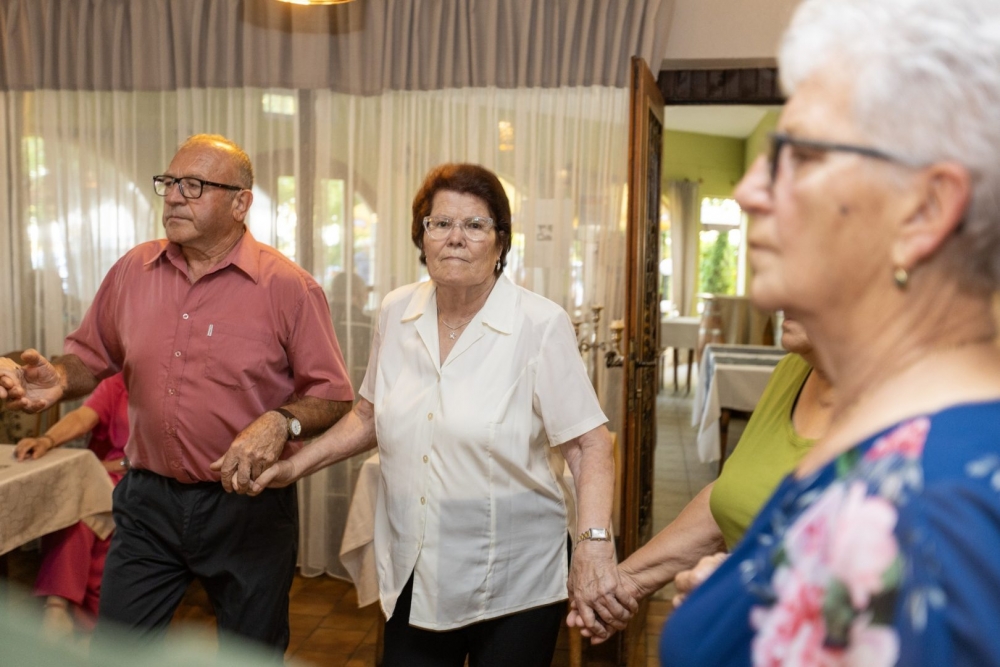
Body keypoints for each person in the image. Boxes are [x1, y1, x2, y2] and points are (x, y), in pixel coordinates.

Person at [658, 0, 1000, 664]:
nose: (752, 189)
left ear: (924, 209)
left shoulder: (917, 520)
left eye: (801, 155)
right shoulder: (906, 443)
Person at [249, 163, 632, 665]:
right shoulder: (396, 311)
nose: (456, 238)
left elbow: (589, 443)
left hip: (514, 579)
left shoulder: (538, 324)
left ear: (500, 243)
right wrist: (295, 466)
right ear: (422, 236)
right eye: (440, 223)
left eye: (475, 225)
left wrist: (594, 546)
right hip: (416, 570)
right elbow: (368, 415)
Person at [0, 134, 354, 655]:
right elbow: (88, 358)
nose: (172, 197)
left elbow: (334, 395)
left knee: (249, 657)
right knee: (117, 652)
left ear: (241, 202)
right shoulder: (132, 271)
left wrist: (282, 420)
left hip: (247, 505)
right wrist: (55, 378)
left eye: (194, 185)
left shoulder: (288, 288)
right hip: (147, 501)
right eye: (168, 183)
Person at [568, 318, 835, 640]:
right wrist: (627, 581)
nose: (771, 298)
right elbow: (731, 498)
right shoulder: (792, 370)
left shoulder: (903, 420)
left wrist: (736, 584)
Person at [13, 373, 128, 637]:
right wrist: (47, 440)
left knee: (83, 513)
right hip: (98, 475)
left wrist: (122, 465)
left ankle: (57, 607)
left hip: (139, 479)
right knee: (68, 502)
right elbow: (81, 417)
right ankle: (73, 618)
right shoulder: (118, 384)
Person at [329, 271, 373, 391]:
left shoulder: (317, 319)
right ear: (357, 295)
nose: (365, 300)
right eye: (365, 295)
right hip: (360, 397)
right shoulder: (370, 325)